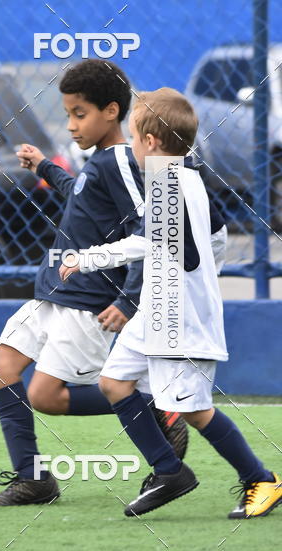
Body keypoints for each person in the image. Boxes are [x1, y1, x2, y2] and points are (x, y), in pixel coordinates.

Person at [60, 87, 282, 518]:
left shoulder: (166, 184)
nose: (129, 142)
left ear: (151, 142)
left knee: (196, 411)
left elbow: (143, 243)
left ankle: (261, 480)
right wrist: (197, 276)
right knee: (114, 383)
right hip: (157, 310)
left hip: (179, 320)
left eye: (132, 133)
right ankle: (169, 471)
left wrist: (86, 258)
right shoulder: (190, 175)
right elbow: (216, 237)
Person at [0, 61, 187, 507]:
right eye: (68, 114)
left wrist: (129, 299)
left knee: (46, 396)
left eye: (80, 114)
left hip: (88, 300)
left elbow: (147, 229)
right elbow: (82, 195)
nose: (72, 124)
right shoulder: (101, 161)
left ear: (111, 111)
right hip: (53, 294)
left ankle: (156, 410)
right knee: (2, 366)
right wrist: (44, 167)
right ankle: (33, 479)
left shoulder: (118, 159)